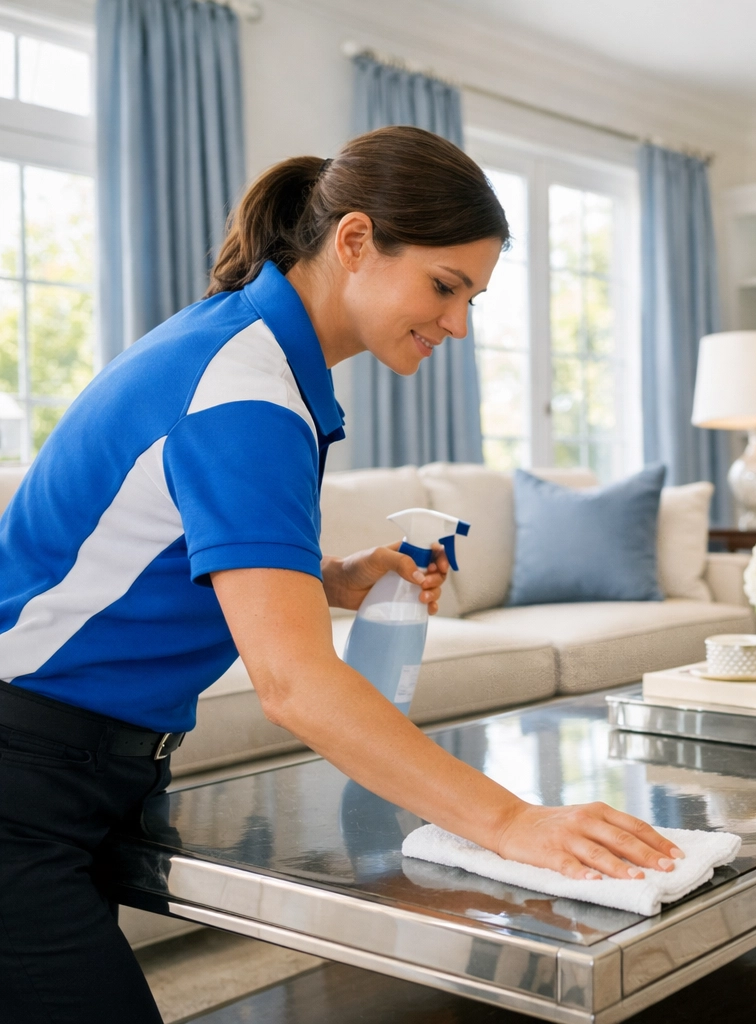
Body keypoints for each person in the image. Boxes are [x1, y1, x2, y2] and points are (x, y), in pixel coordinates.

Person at [0, 125, 679, 1024]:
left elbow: (171, 535)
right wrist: (517, 824)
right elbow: (295, 685)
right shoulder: (243, 389)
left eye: (472, 296)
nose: (459, 324)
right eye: (446, 286)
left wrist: (329, 575)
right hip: (24, 767)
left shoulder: (250, 355)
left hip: (85, 762)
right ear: (354, 241)